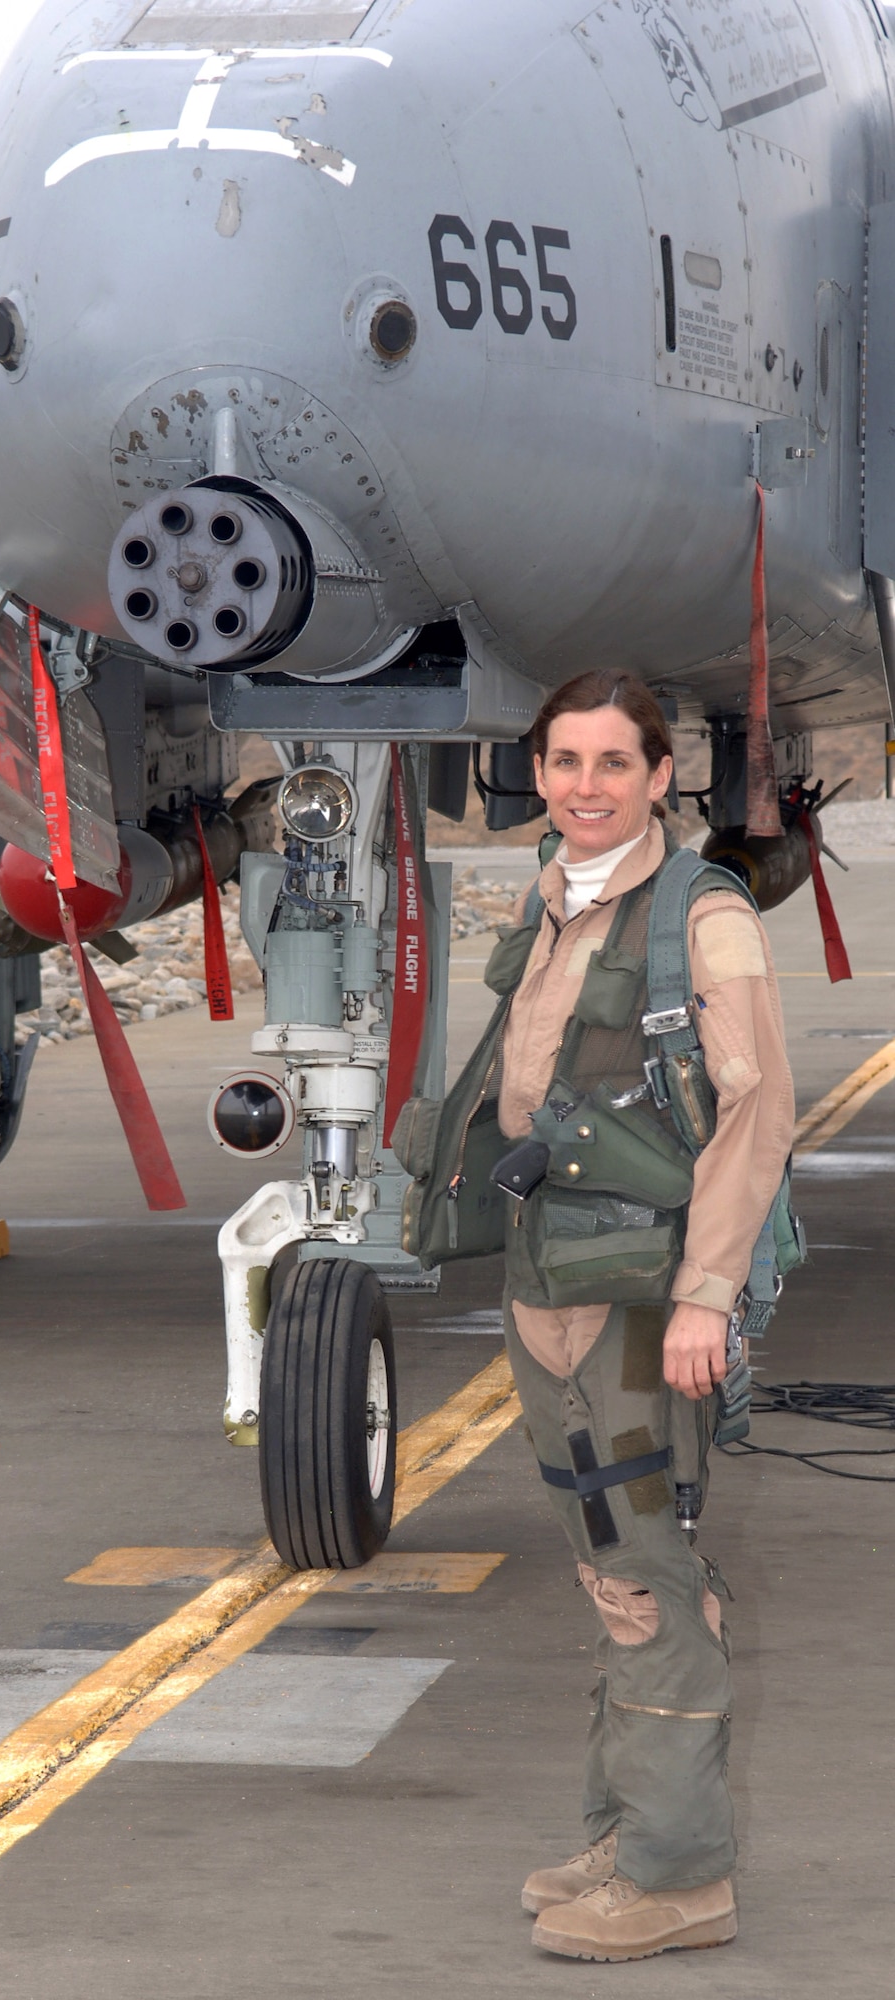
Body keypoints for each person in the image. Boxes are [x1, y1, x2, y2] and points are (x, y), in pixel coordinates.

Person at [486, 671, 793, 1959]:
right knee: (607, 1565)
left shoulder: (700, 915)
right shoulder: (556, 895)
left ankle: (680, 1878)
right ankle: (624, 1832)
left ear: (662, 775)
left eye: (615, 764)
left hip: (640, 1296)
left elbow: (756, 1112)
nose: (587, 788)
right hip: (548, 1282)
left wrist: (704, 1298)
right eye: (566, 762)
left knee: (649, 1578)